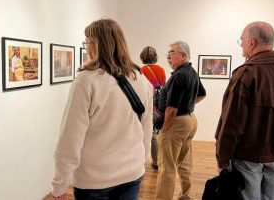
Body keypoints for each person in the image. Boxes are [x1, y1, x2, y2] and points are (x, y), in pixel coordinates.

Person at [51, 18, 153, 200]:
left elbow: (70, 138)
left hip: (95, 179)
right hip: (132, 173)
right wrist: (141, 160)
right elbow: (146, 126)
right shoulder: (139, 78)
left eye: (87, 42)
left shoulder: (86, 81)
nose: (86, 47)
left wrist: (61, 182)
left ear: (95, 45)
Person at [215, 21, 274, 200]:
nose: (241, 45)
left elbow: (231, 122)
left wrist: (222, 158)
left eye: (242, 40)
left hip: (248, 156)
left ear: (252, 42)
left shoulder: (245, 74)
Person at [155, 41, 206, 200]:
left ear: (183, 55)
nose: (168, 57)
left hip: (176, 123)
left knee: (166, 167)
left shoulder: (178, 76)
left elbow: (171, 109)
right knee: (184, 163)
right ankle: (186, 195)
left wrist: (164, 129)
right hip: (190, 121)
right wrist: (188, 105)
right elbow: (202, 94)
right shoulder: (191, 71)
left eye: (172, 53)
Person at [139, 46, 166, 170]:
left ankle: (140, 161)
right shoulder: (161, 70)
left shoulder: (141, 70)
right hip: (157, 105)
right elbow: (163, 87)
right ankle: (156, 162)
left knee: (140, 133)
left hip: (144, 104)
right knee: (155, 134)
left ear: (142, 57)